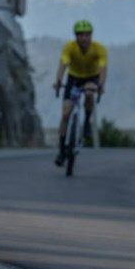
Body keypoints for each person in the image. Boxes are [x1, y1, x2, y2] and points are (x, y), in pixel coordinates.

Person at [53, 20, 107, 165]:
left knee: (89, 93)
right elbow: (62, 65)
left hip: (91, 77)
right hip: (74, 78)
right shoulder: (69, 48)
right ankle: (61, 150)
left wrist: (100, 85)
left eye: (87, 35)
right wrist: (58, 81)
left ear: (91, 36)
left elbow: (102, 68)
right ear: (76, 37)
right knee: (66, 113)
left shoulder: (98, 48)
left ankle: (87, 122)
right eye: (80, 35)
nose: (84, 38)